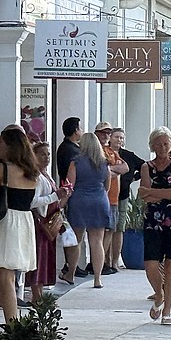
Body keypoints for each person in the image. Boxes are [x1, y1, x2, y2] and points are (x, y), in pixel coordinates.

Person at [0, 128, 40, 323]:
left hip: (4, 222)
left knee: (3, 277)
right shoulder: (32, 172)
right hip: (24, 221)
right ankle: (12, 323)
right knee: (8, 276)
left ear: (10, 146)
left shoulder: (0, 169)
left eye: (2, 142)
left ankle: (12, 325)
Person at [139, 128, 171, 324]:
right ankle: (159, 294)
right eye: (158, 144)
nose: (162, 147)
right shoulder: (146, 167)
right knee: (150, 264)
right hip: (153, 220)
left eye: (166, 143)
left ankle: (167, 310)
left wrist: (153, 192)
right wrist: (162, 193)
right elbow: (143, 195)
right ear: (152, 145)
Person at [65, 132, 114, 288]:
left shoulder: (75, 162)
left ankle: (71, 273)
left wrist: (62, 202)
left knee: (76, 240)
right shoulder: (104, 163)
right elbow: (107, 186)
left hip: (79, 200)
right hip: (99, 200)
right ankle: (97, 278)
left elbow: (70, 185)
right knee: (97, 241)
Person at [25, 141, 70, 300]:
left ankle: (39, 294)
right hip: (40, 223)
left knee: (44, 259)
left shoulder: (45, 174)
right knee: (39, 258)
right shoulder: (37, 176)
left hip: (47, 223)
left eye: (48, 154)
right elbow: (33, 201)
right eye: (42, 154)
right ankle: (36, 295)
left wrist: (62, 196)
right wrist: (55, 196)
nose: (46, 157)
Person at [94, 122, 129, 276]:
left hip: (113, 196)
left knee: (111, 230)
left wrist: (109, 170)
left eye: (108, 133)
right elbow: (98, 173)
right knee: (104, 231)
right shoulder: (95, 151)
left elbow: (125, 168)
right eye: (103, 133)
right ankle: (100, 263)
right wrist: (110, 172)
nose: (105, 136)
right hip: (102, 196)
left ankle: (107, 262)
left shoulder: (110, 151)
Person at [109, 127, 145, 270]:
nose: (119, 140)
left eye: (122, 138)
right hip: (107, 196)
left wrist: (133, 178)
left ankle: (115, 261)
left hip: (122, 195)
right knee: (107, 229)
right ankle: (106, 261)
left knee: (119, 228)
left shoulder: (128, 156)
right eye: (117, 137)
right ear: (111, 138)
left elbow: (144, 165)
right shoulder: (105, 153)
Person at [56, 117, 86, 281]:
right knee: (73, 235)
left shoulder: (70, 148)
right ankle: (70, 267)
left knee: (75, 234)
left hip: (71, 194)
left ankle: (72, 266)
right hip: (70, 195)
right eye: (80, 128)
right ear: (75, 130)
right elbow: (70, 179)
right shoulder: (71, 151)